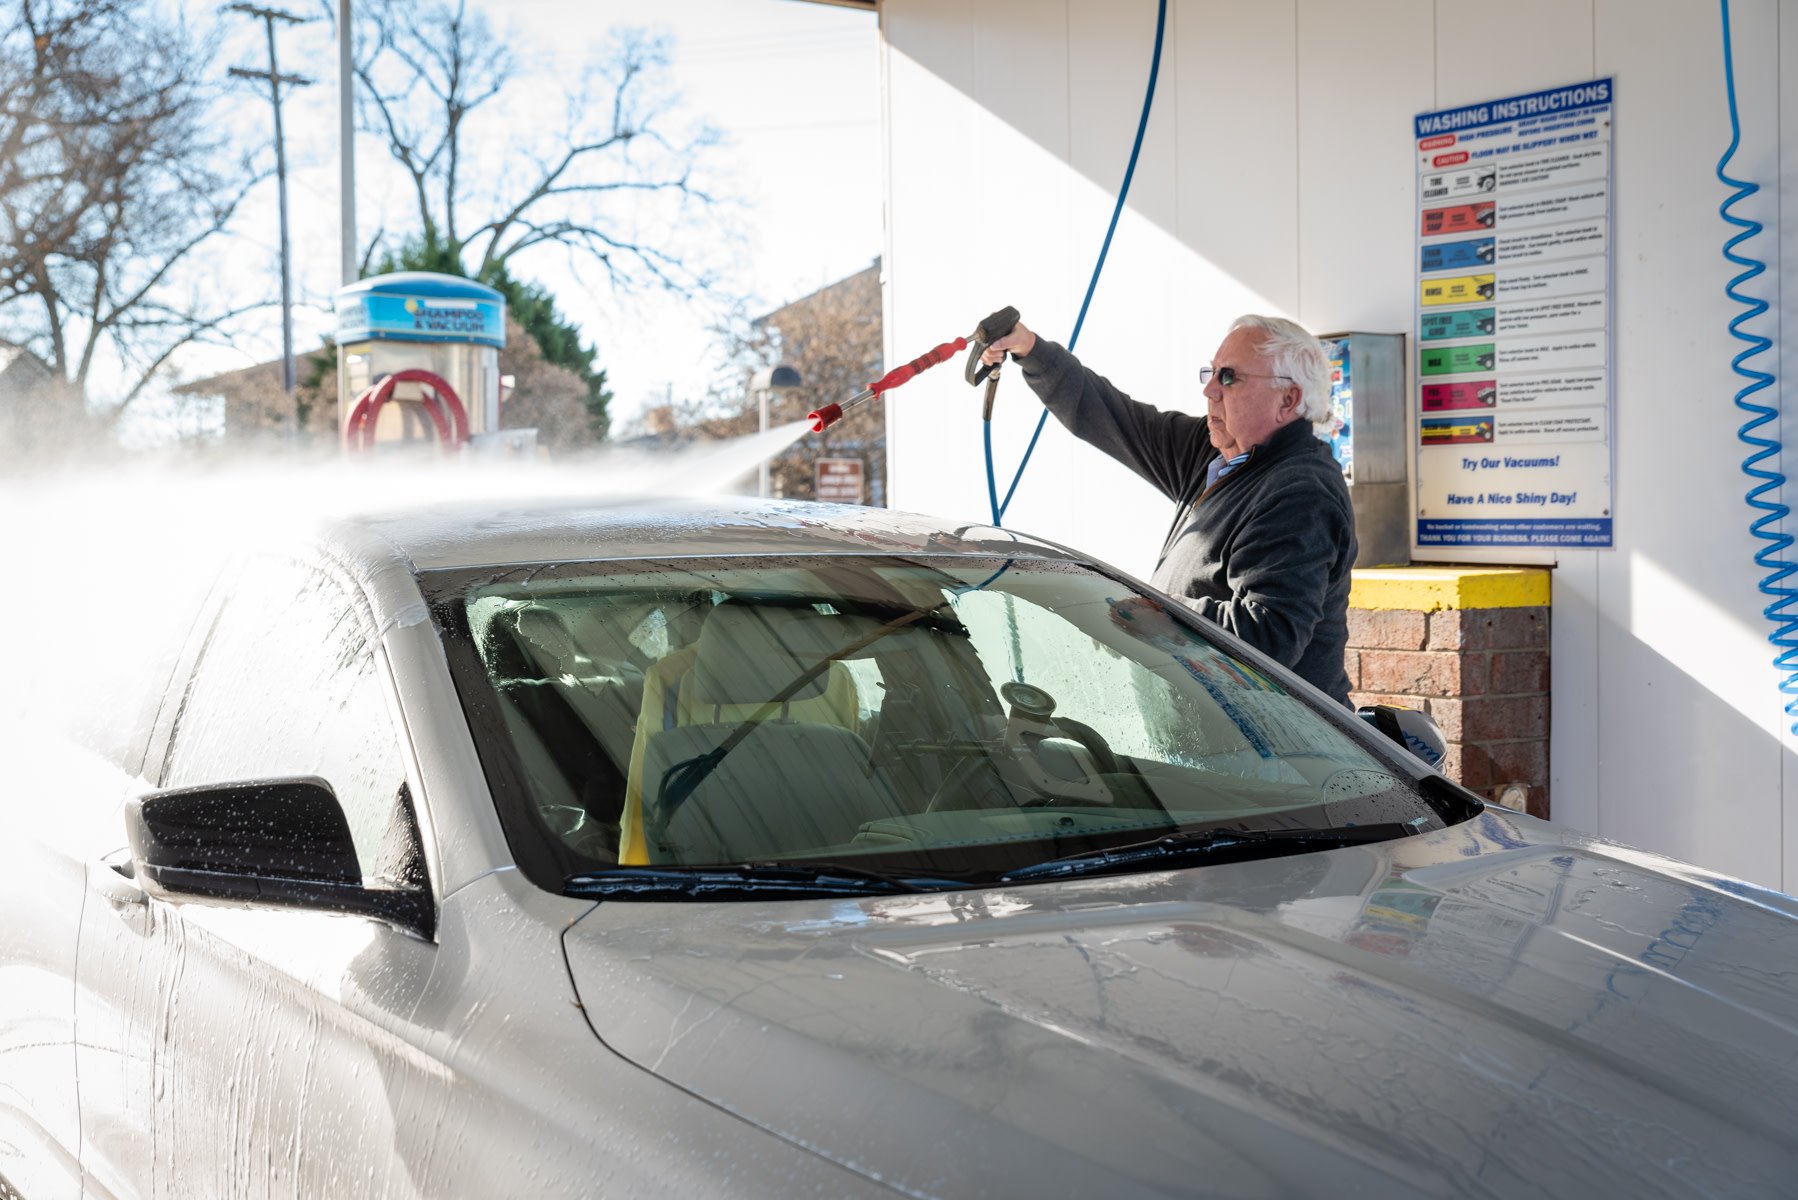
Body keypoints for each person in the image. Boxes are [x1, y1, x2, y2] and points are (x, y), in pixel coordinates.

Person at [980, 314, 1356, 705]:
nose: (1210, 390)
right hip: (1222, 738)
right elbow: (1109, 416)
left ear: (1288, 399)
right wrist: (1030, 348)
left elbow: (1267, 638)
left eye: (1229, 377)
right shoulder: (1212, 451)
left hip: (1283, 751)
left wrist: (1150, 613)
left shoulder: (1300, 493)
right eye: (1210, 374)